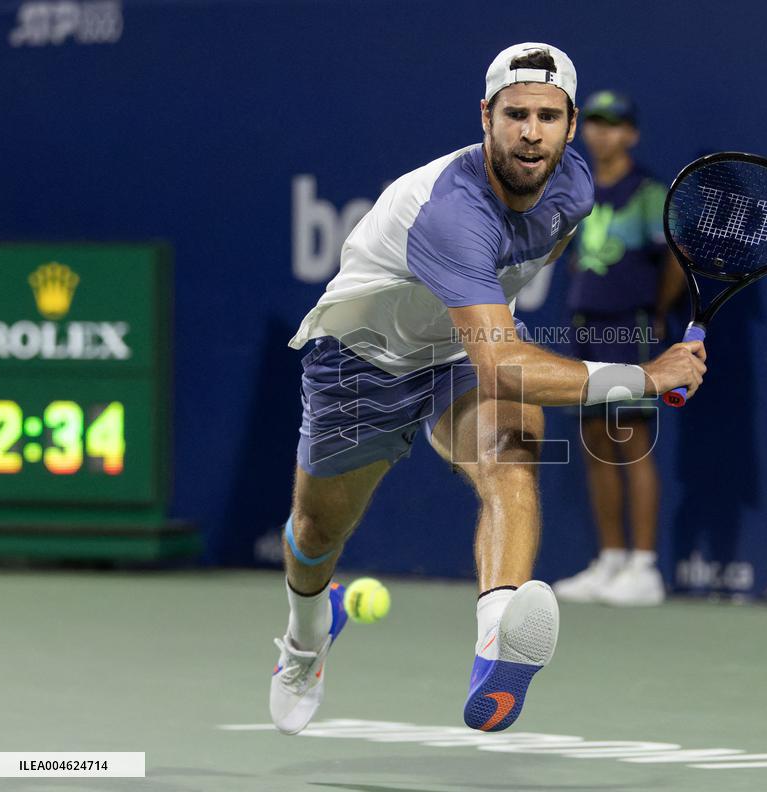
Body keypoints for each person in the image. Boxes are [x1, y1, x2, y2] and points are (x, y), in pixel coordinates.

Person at [271, 44, 707, 736]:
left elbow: (518, 298)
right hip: (361, 361)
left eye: (547, 116)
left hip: (458, 350)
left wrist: (493, 328)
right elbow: (506, 364)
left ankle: (496, 635)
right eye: (515, 114)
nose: (531, 131)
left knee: (512, 454)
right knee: (317, 533)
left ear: (569, 126)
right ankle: (304, 638)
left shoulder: (573, 188)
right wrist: (646, 377)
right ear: (486, 117)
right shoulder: (450, 210)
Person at [553, 91, 687, 607]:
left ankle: (644, 566)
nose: (602, 133)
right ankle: (610, 559)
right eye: (596, 123)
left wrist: (656, 311)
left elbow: (673, 260)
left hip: (627, 330)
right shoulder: (580, 191)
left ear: (631, 134)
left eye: (615, 125)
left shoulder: (649, 193)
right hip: (587, 328)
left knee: (631, 439)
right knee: (594, 441)